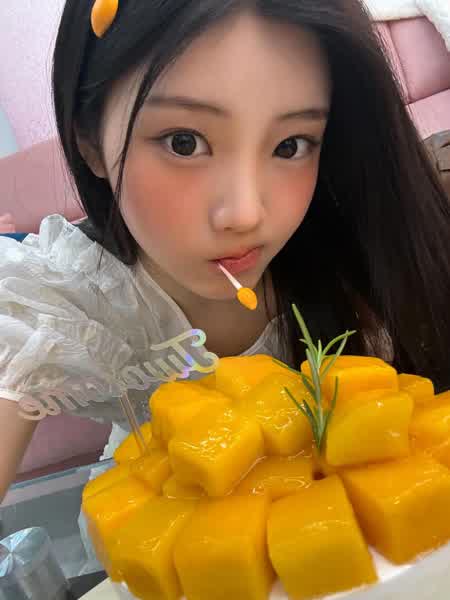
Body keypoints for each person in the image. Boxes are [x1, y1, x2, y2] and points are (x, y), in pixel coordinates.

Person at [0, 0, 449, 506]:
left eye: (290, 145)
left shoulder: (370, 233)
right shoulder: (68, 298)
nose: (245, 213)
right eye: (184, 142)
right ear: (89, 142)